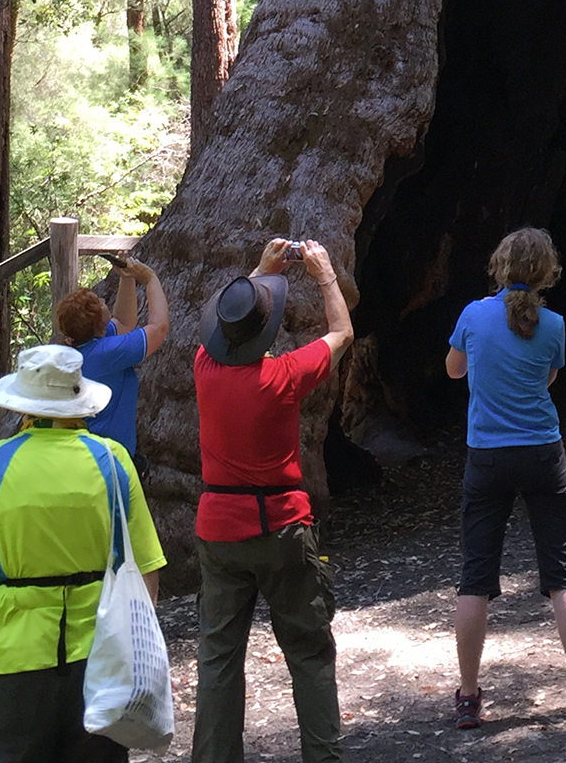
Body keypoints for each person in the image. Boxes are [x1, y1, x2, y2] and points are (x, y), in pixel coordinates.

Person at [0, 343, 168, 763]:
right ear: (79, 403)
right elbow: (147, 569)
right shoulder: (112, 459)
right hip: (98, 658)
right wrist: (136, 655)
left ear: (23, 407)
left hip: (12, 660)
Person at [192, 238, 354, 763]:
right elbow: (341, 333)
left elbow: (227, 319)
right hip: (282, 529)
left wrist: (258, 272)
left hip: (219, 531)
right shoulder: (282, 378)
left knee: (218, 659)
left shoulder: (204, 369)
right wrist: (325, 274)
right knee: (308, 653)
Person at [445, 227, 566, 728]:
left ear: (499, 267)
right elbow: (549, 378)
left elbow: (454, 371)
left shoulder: (473, 315)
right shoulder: (555, 324)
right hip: (542, 452)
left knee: (475, 578)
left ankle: (469, 697)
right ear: (545, 274)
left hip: (487, 457)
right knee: (562, 574)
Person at [55, 255, 169, 466]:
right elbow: (159, 328)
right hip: (107, 462)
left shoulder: (83, 348)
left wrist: (127, 278)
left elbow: (124, 322)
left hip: (89, 456)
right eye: (99, 302)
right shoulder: (106, 353)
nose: (103, 301)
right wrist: (151, 279)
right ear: (97, 322)